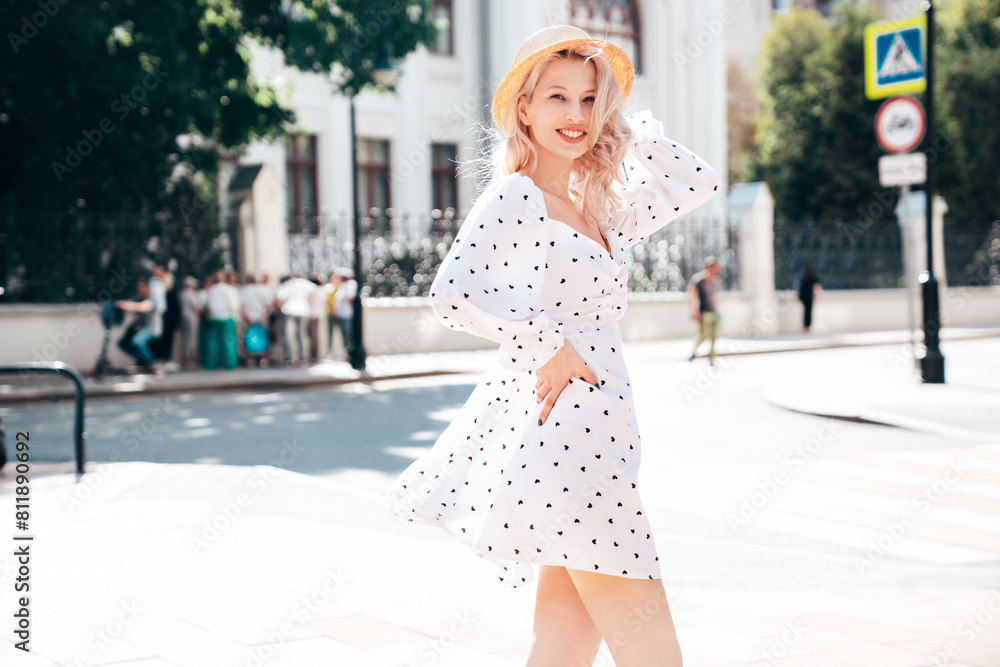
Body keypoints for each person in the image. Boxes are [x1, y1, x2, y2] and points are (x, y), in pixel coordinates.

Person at [384, 25, 720, 667]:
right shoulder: (517, 194)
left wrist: (630, 127)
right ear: (524, 109)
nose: (576, 115)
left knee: (560, 650)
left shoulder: (596, 205)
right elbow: (452, 294)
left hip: (604, 430)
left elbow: (695, 183)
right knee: (655, 654)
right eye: (558, 97)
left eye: (590, 100)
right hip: (569, 441)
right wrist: (549, 344)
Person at [115, 276, 166, 372]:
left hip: (153, 329)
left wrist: (123, 305)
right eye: (139, 289)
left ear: (148, 288)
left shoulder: (152, 298)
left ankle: (150, 362)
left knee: (137, 341)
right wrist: (118, 304)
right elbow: (131, 302)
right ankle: (141, 359)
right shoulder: (139, 297)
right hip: (141, 328)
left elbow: (142, 307)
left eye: (142, 288)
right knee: (122, 343)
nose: (140, 291)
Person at [202, 269, 241, 370]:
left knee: (213, 342)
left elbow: (209, 304)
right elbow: (234, 305)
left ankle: (212, 363)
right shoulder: (229, 289)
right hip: (227, 317)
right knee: (229, 341)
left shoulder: (211, 289)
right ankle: (230, 363)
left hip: (215, 317)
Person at [687, 256, 721, 366]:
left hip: (714, 312)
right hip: (704, 312)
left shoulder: (716, 281)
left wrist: (718, 311)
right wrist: (694, 311)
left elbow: (716, 297)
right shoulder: (700, 281)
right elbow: (692, 296)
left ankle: (711, 357)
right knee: (704, 335)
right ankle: (694, 352)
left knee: (714, 335)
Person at [275, 274, 314, 365]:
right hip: (303, 311)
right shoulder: (306, 284)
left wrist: (280, 308)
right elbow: (313, 293)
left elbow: (279, 298)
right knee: (301, 334)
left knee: (288, 334)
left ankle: (289, 357)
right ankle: (302, 357)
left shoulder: (287, 284)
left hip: (289, 310)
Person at [240, 273, 272, 366]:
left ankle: (250, 359)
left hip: (249, 317)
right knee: (264, 336)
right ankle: (264, 359)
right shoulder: (264, 289)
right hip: (262, 317)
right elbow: (268, 304)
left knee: (249, 337)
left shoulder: (244, 289)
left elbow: (243, 304)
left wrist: (247, 316)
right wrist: (264, 316)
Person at [326, 268, 357, 361]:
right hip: (343, 315)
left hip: (347, 314)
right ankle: (348, 353)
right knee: (345, 336)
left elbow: (350, 298)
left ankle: (350, 354)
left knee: (348, 335)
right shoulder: (343, 286)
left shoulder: (350, 284)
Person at [178, 276, 202, 369]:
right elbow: (196, 307)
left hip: (183, 318)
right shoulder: (191, 294)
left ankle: (185, 357)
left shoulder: (181, 294)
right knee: (192, 339)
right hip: (191, 318)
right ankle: (189, 358)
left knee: (185, 339)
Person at [797, 261, 822, 332]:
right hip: (808, 296)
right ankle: (807, 325)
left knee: (805, 310)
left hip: (803, 296)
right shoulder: (812, 277)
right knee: (809, 311)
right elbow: (816, 286)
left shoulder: (803, 277)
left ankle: (805, 324)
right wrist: (818, 295)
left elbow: (798, 285)